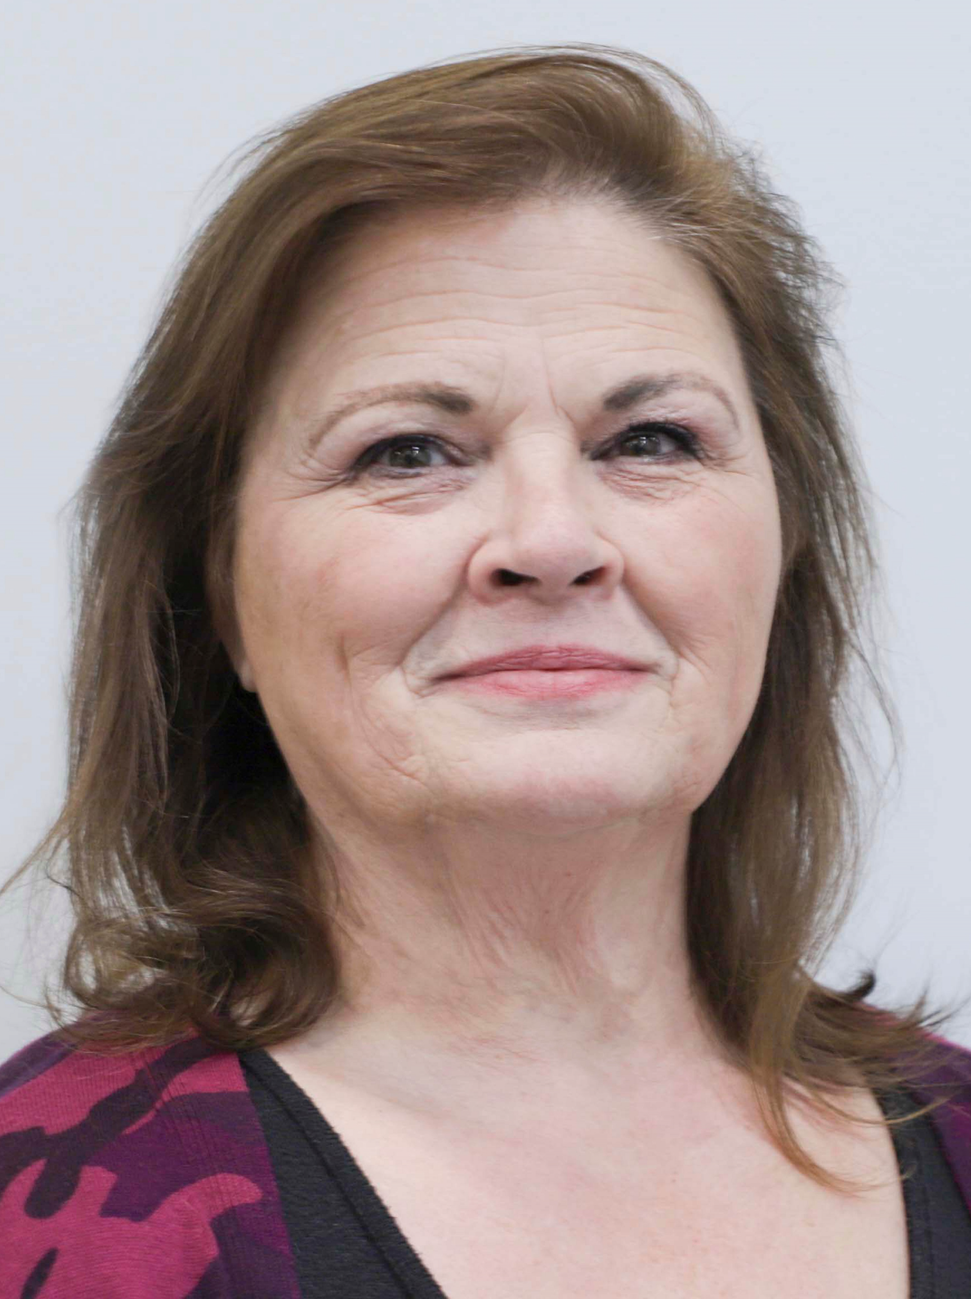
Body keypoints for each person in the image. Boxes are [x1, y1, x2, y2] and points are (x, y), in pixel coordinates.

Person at [1, 43, 969, 1299]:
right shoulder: (53, 1225)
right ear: (219, 597)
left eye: (649, 440)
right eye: (407, 451)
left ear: (783, 554)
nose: (551, 542)